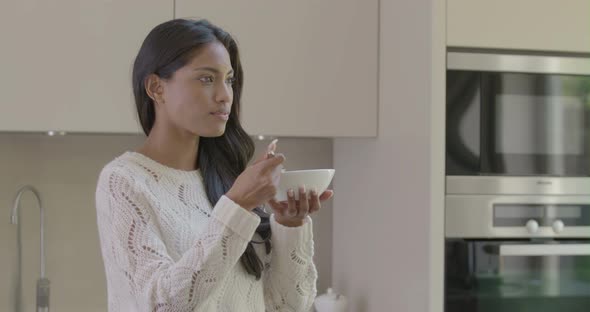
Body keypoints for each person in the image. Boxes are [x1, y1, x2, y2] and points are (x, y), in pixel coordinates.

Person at [95, 18, 333, 312]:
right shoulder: (124, 181)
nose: (225, 96)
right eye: (207, 78)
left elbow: (288, 306)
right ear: (156, 88)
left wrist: (290, 226)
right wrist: (237, 205)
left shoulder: (226, 180)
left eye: (229, 80)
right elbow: (161, 306)